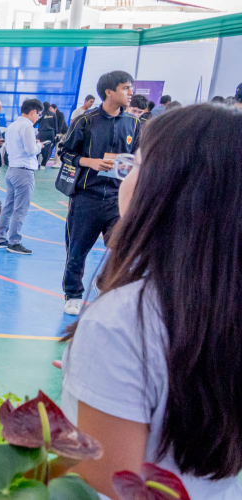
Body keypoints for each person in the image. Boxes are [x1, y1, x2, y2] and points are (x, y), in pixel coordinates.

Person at [61, 103, 242, 500]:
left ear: (168, 187)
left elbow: (110, 486)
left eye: (135, 164)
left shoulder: (122, 322)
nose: (124, 174)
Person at [58, 70, 140, 316]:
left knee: (123, 248)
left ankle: (104, 283)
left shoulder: (134, 123)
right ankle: (73, 294)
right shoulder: (85, 121)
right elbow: (65, 153)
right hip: (86, 198)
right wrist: (89, 162)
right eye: (126, 88)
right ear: (109, 91)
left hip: (117, 200)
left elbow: (139, 156)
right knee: (77, 251)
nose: (130, 93)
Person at [0, 98, 43, 256]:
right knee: (20, 209)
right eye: (38, 114)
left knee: (8, 207)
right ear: (33, 111)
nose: (38, 118)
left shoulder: (12, 126)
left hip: (12, 170)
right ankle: (14, 242)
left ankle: (0, 239)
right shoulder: (27, 127)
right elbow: (31, 150)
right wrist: (39, 146)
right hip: (24, 171)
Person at [36, 101, 58, 169]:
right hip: (51, 133)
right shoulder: (53, 114)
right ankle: (43, 165)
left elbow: (35, 122)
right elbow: (56, 125)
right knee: (48, 149)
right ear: (49, 107)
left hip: (42, 133)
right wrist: (56, 134)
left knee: (39, 147)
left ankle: (36, 163)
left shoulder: (41, 114)